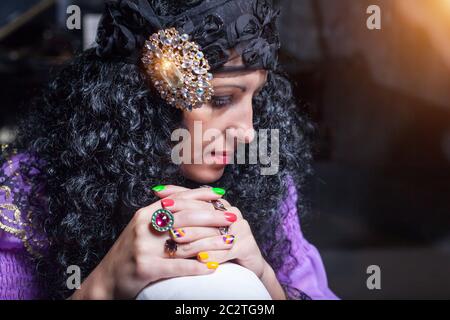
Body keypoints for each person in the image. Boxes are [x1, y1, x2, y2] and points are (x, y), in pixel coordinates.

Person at [0, 0, 337, 300]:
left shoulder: (263, 183)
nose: (248, 132)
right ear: (145, 98)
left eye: (256, 97)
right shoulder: (29, 197)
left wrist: (265, 277)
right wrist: (104, 284)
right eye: (221, 99)